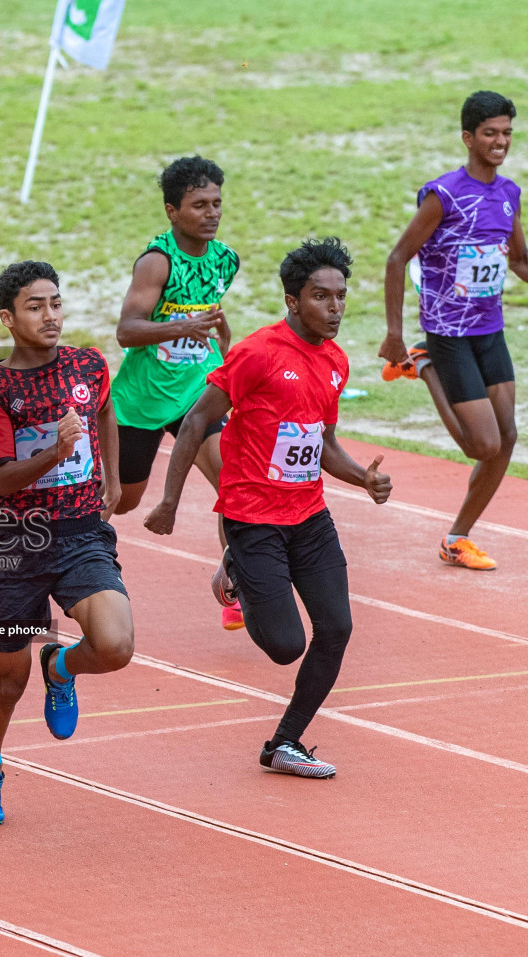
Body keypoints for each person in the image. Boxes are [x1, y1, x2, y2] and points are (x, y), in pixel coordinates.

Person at [144, 239, 392, 778]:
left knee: (337, 629)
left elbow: (321, 444)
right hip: (253, 519)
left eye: (342, 297)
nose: (335, 308)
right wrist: (169, 500)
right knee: (285, 646)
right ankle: (237, 565)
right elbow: (193, 422)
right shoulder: (257, 352)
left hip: (309, 517)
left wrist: (363, 479)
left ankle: (285, 743)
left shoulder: (336, 363)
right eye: (321, 297)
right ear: (292, 300)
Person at [0, 261, 134, 824]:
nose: (51, 316)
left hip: (82, 532)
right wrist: (55, 455)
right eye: (35, 307)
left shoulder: (88, 364)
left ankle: (61, 667)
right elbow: (1, 480)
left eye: (56, 303)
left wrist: (111, 475)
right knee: (7, 684)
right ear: (8, 319)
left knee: (115, 646)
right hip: (19, 542)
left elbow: (104, 410)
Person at [379, 90, 528, 570]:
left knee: (506, 439)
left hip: (490, 331)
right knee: (481, 444)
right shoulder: (442, 195)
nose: (500, 141)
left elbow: (521, 261)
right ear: (468, 138)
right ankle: (423, 366)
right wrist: (395, 334)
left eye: (507, 132)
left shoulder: (508, 195)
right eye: (490, 133)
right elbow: (397, 258)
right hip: (447, 333)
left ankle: (457, 538)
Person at [110, 155, 243, 630]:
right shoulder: (156, 261)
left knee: (234, 486)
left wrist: (223, 351)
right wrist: (185, 325)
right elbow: (127, 331)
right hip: (142, 399)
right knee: (121, 501)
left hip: (196, 391)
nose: (211, 213)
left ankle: (236, 582)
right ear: (172, 210)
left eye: (217, 204)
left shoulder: (226, 260)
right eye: (198, 205)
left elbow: (213, 311)